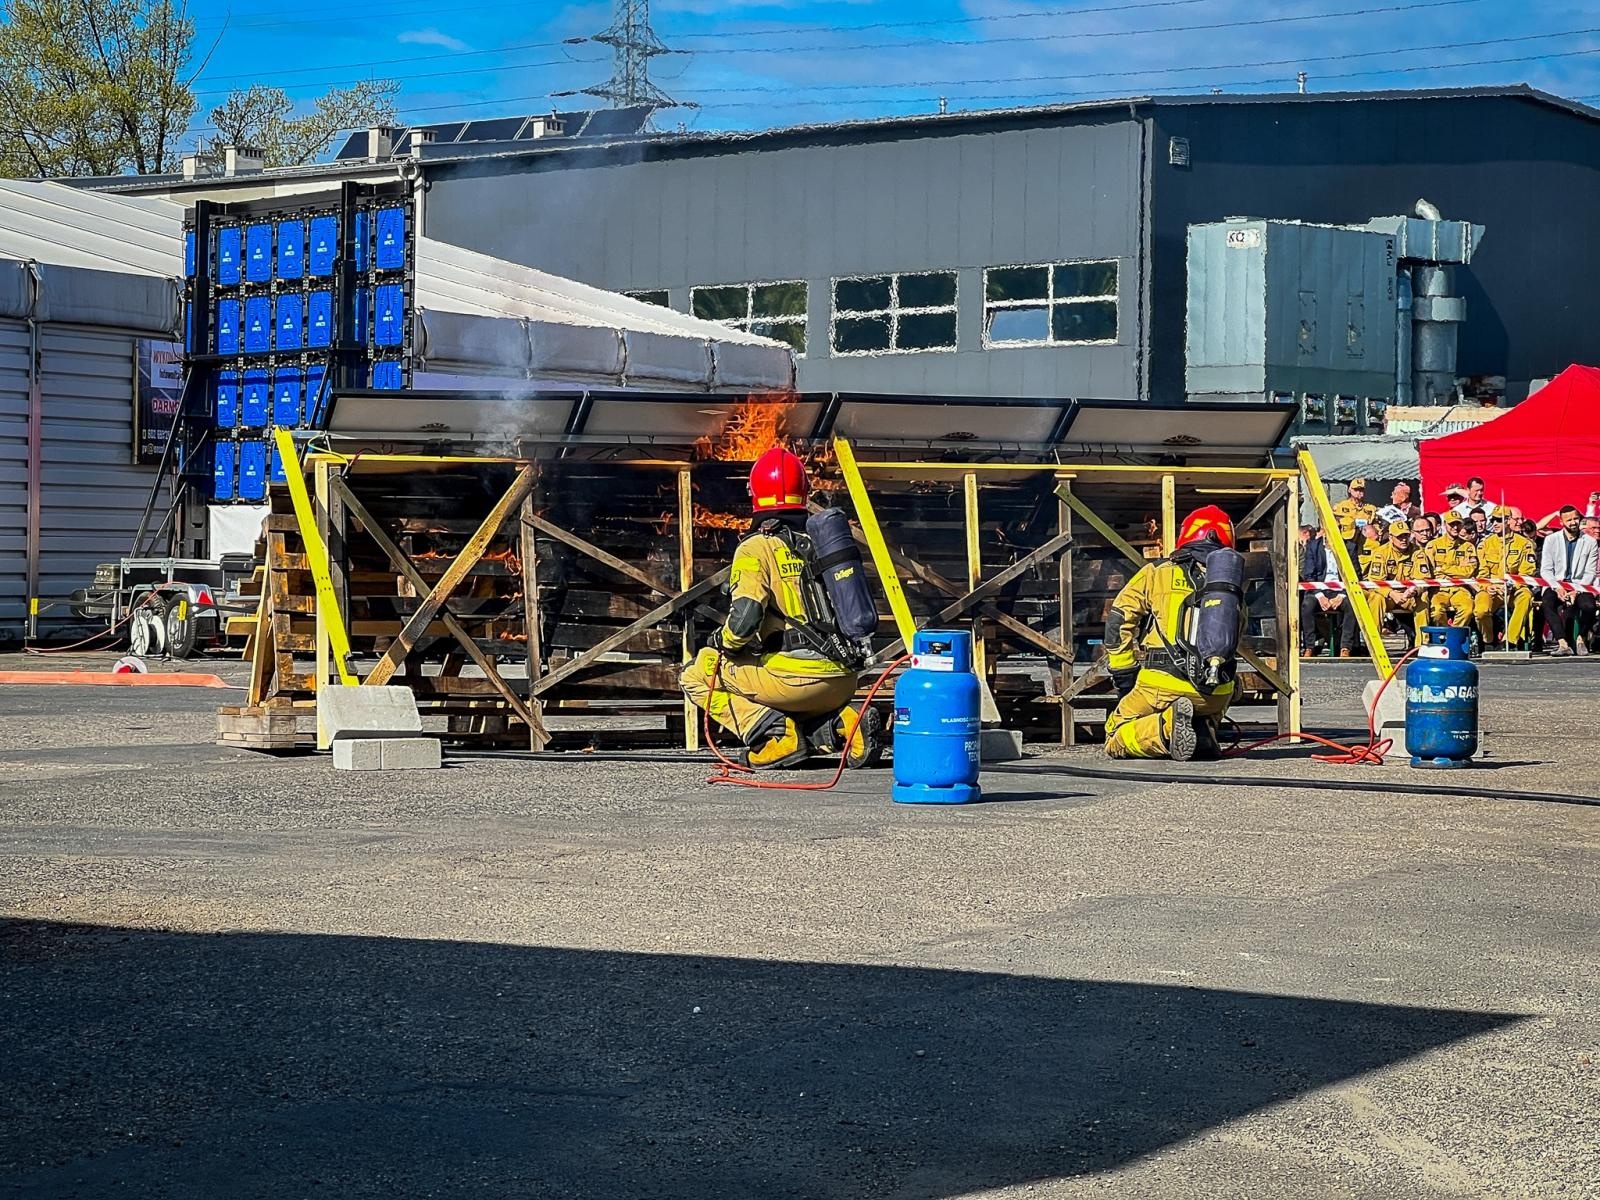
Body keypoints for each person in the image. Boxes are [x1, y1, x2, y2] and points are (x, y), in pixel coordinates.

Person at [679, 447, 866, 769]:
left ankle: (778, 735)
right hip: (845, 680)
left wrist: (723, 643)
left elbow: (745, 618)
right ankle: (844, 723)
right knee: (776, 674)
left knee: (697, 673)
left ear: (755, 494)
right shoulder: (823, 543)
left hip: (796, 683)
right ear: (804, 492)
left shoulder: (756, 547)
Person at [1104, 506, 1242, 762]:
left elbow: (1118, 621)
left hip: (1162, 683)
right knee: (1201, 708)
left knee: (1114, 734)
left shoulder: (1158, 572)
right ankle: (1202, 728)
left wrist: (1124, 676)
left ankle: (1167, 728)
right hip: (1217, 692)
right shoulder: (1229, 585)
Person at [1537, 505, 1598, 657]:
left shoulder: (1590, 542)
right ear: (1561, 522)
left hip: (1580, 584)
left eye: (1576, 519)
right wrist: (1557, 588)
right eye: (1569, 520)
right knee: (1547, 603)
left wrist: (1576, 591)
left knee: (1589, 606)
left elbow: (1590, 572)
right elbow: (1546, 569)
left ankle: (1581, 638)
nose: (1573, 522)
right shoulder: (1551, 540)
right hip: (1556, 583)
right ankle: (1562, 643)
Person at [1475, 507, 1537, 651]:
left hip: (1514, 588)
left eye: (1499, 520)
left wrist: (1511, 585)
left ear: (1509, 521)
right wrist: (1487, 586)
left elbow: (1527, 571)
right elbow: (1481, 572)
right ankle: (1488, 640)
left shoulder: (1524, 544)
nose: (1495, 523)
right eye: (1493, 520)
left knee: (1526, 596)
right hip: (1492, 588)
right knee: (1481, 610)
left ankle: (1510, 639)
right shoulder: (1485, 544)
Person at [1364, 519, 1432, 648]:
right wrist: (1391, 593)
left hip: (1409, 596)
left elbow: (1423, 579)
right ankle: (1373, 644)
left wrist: (1414, 590)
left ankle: (1422, 645)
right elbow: (1375, 581)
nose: (1403, 540)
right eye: (1399, 537)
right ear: (1390, 537)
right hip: (1388, 596)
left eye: (1406, 535)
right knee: (1376, 598)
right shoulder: (1381, 552)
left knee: (1423, 598)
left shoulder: (1417, 552)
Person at [1299, 525, 1355, 657]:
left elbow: (1354, 575)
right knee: (1307, 605)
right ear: (1323, 531)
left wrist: (1341, 595)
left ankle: (1345, 647)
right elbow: (1309, 575)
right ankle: (1309, 647)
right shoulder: (1313, 547)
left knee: (1352, 605)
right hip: (1319, 588)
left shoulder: (1350, 547)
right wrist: (1320, 595)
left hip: (1340, 589)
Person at [1429, 515, 1479, 631]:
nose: (1455, 527)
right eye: (1452, 524)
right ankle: (1444, 634)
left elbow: (1468, 572)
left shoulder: (1468, 547)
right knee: (1436, 611)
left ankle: (1453, 635)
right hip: (1440, 589)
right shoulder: (1433, 545)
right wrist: (1456, 570)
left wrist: (1442, 568)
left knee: (1467, 608)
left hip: (1460, 588)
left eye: (1458, 524)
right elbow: (1432, 571)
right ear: (1445, 524)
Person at [1330, 478, 1376, 562]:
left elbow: (1375, 527)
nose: (1359, 492)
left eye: (1361, 490)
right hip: (1347, 542)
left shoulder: (1370, 509)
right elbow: (1334, 525)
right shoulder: (1341, 507)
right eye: (1356, 490)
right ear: (1350, 490)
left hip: (1364, 543)